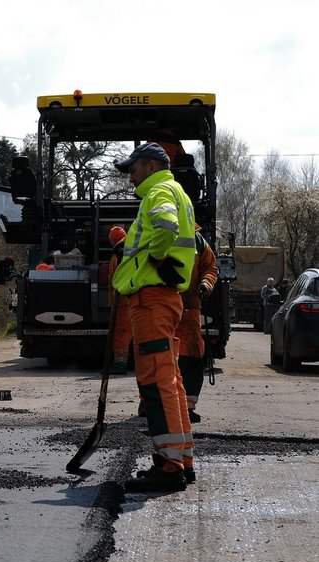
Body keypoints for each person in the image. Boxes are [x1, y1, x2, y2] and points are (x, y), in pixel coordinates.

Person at [111, 142, 197, 492]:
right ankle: (180, 458)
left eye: (133, 169)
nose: (130, 176)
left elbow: (165, 226)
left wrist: (158, 258)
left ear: (149, 165)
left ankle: (168, 466)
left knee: (155, 380)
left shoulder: (159, 190)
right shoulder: (177, 191)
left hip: (151, 298)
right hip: (162, 298)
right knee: (170, 379)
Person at [175, 228, 219, 424]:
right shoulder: (156, 229)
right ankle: (153, 403)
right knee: (158, 354)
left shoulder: (196, 239)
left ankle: (187, 405)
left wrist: (206, 284)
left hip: (188, 306)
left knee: (191, 355)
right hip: (161, 305)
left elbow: (210, 267)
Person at [108, 225, 132, 375]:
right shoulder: (129, 249)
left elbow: (116, 279)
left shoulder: (118, 254)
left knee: (122, 334)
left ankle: (120, 364)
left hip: (123, 300)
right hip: (131, 299)